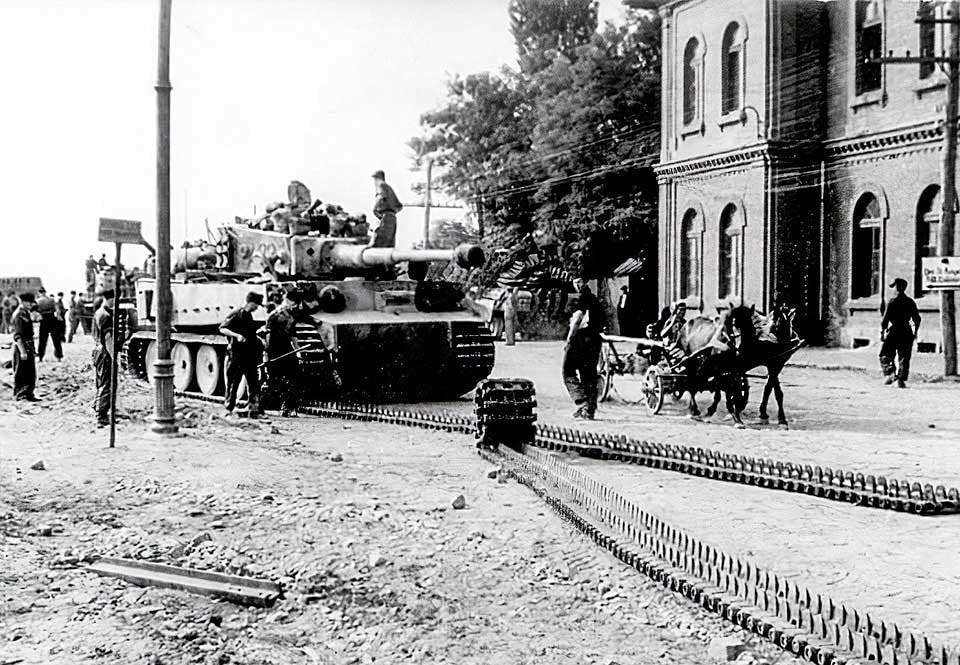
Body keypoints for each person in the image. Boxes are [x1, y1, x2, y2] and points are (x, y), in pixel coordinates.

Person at [219, 292, 264, 418]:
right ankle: (229, 408)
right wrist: (237, 335)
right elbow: (222, 328)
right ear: (251, 303)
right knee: (233, 383)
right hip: (237, 356)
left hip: (249, 356)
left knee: (253, 383)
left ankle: (254, 410)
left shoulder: (248, 316)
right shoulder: (237, 314)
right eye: (256, 305)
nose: (257, 308)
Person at [562, 299, 603, 420]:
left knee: (568, 372)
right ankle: (589, 410)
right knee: (589, 374)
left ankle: (582, 402)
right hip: (595, 340)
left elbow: (577, 319)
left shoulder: (582, 300)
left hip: (580, 339)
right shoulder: (596, 303)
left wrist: (569, 339)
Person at [264, 290, 302, 417]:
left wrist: (298, 351)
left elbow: (293, 334)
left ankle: (289, 406)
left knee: (294, 376)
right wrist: (267, 354)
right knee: (276, 379)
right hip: (275, 349)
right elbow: (267, 335)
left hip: (287, 348)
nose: (296, 306)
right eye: (295, 303)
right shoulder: (275, 315)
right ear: (289, 301)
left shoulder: (292, 315)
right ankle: (276, 405)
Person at [880, 277, 921, 389]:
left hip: (895, 331)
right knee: (904, 356)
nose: (893, 289)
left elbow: (885, 319)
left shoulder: (892, 302)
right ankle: (901, 379)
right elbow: (916, 319)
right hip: (907, 331)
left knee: (885, 354)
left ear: (897, 287)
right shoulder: (910, 302)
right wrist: (914, 331)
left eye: (894, 287)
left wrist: (883, 331)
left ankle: (892, 375)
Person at [92, 289, 117, 427]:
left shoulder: (99, 312)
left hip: (98, 350)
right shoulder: (105, 315)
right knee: (106, 383)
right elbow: (108, 339)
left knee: (102, 382)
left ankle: (100, 408)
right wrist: (114, 358)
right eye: (113, 300)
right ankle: (101, 416)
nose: (114, 302)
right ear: (108, 299)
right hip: (105, 352)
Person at [12, 293, 39, 402]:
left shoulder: (26, 313)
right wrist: (22, 351)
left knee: (30, 372)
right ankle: (20, 395)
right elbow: (17, 336)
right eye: (29, 302)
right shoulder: (19, 315)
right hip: (22, 347)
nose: (31, 304)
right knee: (21, 372)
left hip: (28, 346)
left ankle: (29, 394)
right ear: (23, 302)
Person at [370, 169, 402, 248]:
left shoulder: (381, 185)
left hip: (385, 216)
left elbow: (381, 196)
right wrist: (391, 212)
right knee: (389, 244)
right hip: (392, 217)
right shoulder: (389, 188)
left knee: (380, 243)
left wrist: (374, 209)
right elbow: (399, 206)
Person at [35, 288, 62, 362]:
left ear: (39, 293)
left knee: (42, 339)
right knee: (56, 339)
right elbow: (58, 310)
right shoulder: (52, 299)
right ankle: (59, 356)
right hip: (52, 319)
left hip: (44, 320)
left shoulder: (38, 301)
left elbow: (36, 311)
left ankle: (40, 357)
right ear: (45, 292)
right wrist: (59, 316)